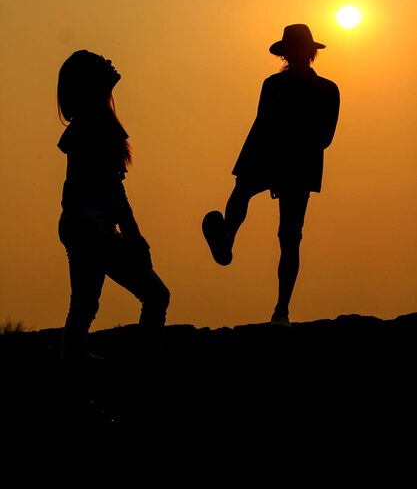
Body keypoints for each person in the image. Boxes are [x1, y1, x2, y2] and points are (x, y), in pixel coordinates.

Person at [202, 24, 340, 327]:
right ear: (287, 53)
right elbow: (263, 121)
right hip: (267, 153)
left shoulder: (327, 90)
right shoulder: (273, 84)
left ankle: (282, 311)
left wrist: (294, 145)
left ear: (310, 51)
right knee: (242, 191)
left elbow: (326, 135)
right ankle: (226, 239)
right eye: (291, 49)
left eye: (300, 48)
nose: (296, 54)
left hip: (300, 163)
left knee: (290, 237)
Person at [57, 50, 170, 374]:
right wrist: (134, 237)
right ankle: (146, 371)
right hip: (92, 223)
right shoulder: (96, 124)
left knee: (82, 307)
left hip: (77, 222)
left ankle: (72, 376)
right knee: (156, 295)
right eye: (102, 64)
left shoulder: (87, 123)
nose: (110, 63)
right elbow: (113, 190)